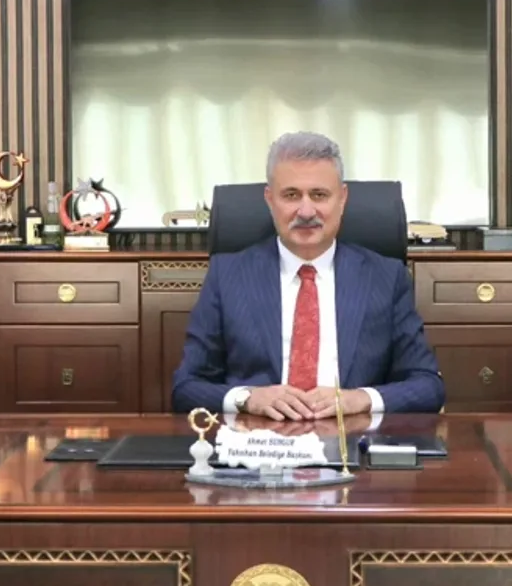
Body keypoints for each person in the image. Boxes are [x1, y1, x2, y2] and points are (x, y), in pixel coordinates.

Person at [172, 131, 445, 420]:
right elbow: (186, 388)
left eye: (319, 195)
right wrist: (248, 398)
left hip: (351, 436)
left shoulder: (385, 278)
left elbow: (428, 385)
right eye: (291, 195)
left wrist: (360, 399)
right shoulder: (228, 275)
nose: (305, 211)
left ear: (342, 199)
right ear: (269, 199)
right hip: (259, 436)